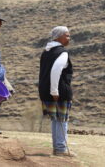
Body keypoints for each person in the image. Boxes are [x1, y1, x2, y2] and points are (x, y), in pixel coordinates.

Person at [38, 26, 74, 156]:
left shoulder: (46, 51)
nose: (69, 38)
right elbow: (55, 71)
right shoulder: (62, 52)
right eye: (67, 35)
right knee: (62, 119)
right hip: (59, 91)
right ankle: (60, 148)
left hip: (45, 90)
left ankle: (57, 147)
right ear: (59, 37)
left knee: (55, 119)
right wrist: (55, 91)